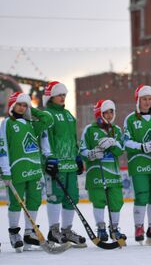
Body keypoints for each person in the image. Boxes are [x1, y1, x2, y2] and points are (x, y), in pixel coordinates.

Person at [0, 92, 53, 251]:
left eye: (25, 105)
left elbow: (48, 120)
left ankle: (30, 233)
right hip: (17, 169)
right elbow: (3, 148)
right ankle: (14, 232)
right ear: (12, 105)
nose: (22, 108)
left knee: (34, 200)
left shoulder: (32, 123)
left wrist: (33, 109)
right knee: (16, 202)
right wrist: (5, 170)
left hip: (35, 169)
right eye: (19, 104)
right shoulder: (7, 123)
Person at [123, 84, 151, 245]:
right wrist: (142, 146)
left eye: (150, 99)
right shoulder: (131, 119)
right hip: (139, 164)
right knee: (142, 195)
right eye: (144, 99)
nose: (147, 102)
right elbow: (125, 142)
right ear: (138, 100)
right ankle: (139, 226)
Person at [42, 81, 87, 247]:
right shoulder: (47, 115)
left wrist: (77, 156)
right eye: (59, 95)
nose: (62, 97)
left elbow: (72, 138)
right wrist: (48, 159)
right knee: (56, 196)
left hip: (69, 164)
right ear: (50, 97)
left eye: (64, 95)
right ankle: (54, 231)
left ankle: (67, 231)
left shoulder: (69, 115)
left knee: (72, 197)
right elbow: (45, 138)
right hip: (56, 164)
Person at [79, 99, 126, 242]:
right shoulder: (90, 129)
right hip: (96, 173)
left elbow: (120, 151)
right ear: (99, 113)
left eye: (112, 111)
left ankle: (114, 229)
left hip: (113, 173)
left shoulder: (116, 130)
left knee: (116, 201)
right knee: (99, 201)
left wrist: (113, 142)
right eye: (106, 111)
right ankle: (101, 229)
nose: (110, 114)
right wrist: (92, 154)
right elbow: (82, 151)